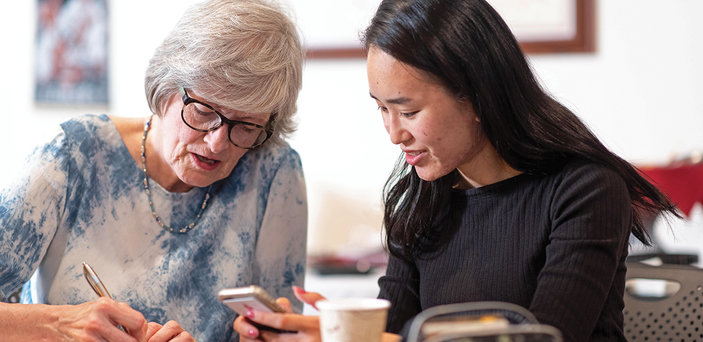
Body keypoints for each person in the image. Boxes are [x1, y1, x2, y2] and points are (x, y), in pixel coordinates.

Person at [232, 0, 679, 341]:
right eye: (382, 109)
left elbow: (544, 336)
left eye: (408, 111)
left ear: (477, 97)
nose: (393, 134)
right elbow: (396, 325)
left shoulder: (585, 190)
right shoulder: (422, 198)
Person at [0, 0, 306, 340]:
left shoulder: (273, 172)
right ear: (165, 88)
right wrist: (59, 326)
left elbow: (281, 333)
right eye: (204, 111)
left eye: (246, 125)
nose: (218, 143)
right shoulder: (73, 155)